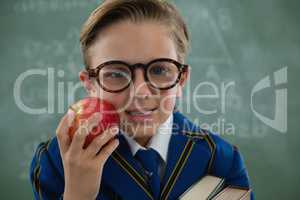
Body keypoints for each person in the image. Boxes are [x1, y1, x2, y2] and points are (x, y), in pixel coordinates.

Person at [29, 0, 254, 199]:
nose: (140, 91)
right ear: (90, 84)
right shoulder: (57, 161)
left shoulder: (222, 159)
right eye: (116, 73)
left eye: (159, 70)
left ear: (181, 79)